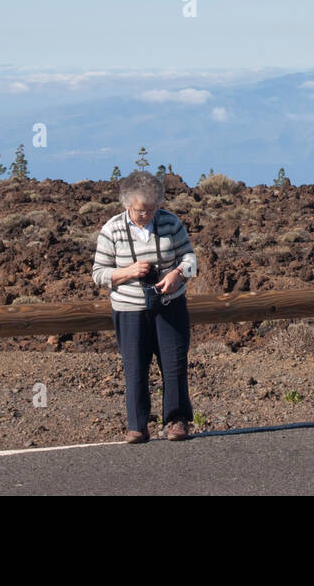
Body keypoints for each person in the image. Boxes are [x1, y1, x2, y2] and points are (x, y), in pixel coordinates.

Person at [92, 170, 199, 442]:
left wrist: (178, 274)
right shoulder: (112, 229)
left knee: (174, 363)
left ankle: (178, 421)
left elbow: (189, 257)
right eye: (141, 211)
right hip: (129, 310)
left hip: (169, 305)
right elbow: (99, 274)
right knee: (135, 366)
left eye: (152, 209)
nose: (146, 215)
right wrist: (128, 272)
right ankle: (137, 425)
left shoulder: (171, 223)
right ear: (127, 204)